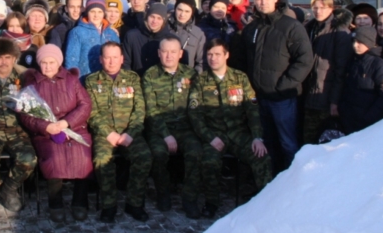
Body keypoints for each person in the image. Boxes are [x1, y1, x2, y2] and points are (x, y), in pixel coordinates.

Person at [188, 39, 273, 218]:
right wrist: (209, 137)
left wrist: (257, 137)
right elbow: (195, 114)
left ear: (226, 55)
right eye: (210, 54)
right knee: (209, 162)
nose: (213, 58)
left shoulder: (240, 78)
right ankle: (212, 202)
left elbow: (252, 110)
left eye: (218, 54)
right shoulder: (201, 80)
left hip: (238, 133)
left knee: (261, 156)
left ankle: (267, 201)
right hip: (214, 134)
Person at [233, 0, 313, 173]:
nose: (263, 2)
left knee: (288, 144)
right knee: (267, 145)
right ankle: (273, 187)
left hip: (283, 98)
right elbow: (244, 59)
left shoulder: (291, 26)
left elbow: (305, 60)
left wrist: (283, 86)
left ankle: (293, 185)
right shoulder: (252, 28)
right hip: (259, 98)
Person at [20, 44, 92, 223]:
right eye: (44, 62)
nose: (48, 66)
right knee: (54, 159)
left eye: (51, 62)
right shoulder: (32, 83)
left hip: (74, 128)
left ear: (58, 62)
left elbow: (85, 105)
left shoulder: (71, 80)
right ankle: (56, 203)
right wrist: (46, 127)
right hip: (47, 133)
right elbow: (25, 113)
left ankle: (80, 202)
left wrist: (67, 122)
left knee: (84, 157)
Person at [85, 42, 150, 223]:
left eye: (115, 57)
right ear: (101, 59)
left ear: (122, 59)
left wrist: (131, 132)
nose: (111, 61)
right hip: (104, 134)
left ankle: (134, 203)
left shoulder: (132, 78)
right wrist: (108, 134)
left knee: (144, 157)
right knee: (102, 160)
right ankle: (109, 205)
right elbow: (91, 112)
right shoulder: (91, 81)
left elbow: (140, 109)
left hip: (130, 133)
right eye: (107, 57)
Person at [0, 39, 36, 213]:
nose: (4, 62)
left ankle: (8, 189)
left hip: (18, 131)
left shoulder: (24, 77)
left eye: (8, 57)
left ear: (15, 58)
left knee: (28, 160)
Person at [141, 37, 199, 214]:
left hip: (185, 128)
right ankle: (163, 193)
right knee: (158, 153)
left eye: (173, 52)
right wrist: (166, 134)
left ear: (180, 54)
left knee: (196, 152)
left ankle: (190, 198)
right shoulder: (150, 75)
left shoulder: (191, 75)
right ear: (159, 53)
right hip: (160, 130)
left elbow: (196, 106)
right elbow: (151, 110)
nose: (169, 56)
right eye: (165, 51)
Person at [301, 0, 353, 144]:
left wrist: (334, 101)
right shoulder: (309, 29)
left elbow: (340, 70)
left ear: (331, 9)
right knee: (307, 142)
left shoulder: (340, 33)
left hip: (326, 97)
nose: (318, 11)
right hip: (308, 96)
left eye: (322, 8)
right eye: (315, 8)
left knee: (325, 142)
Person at [338, 27, 383, 134]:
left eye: (360, 42)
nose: (355, 45)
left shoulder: (379, 65)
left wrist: (368, 118)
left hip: (367, 124)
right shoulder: (353, 61)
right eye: (354, 41)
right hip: (349, 119)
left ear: (369, 43)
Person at [65, 0, 120, 79]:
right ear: (87, 12)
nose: (96, 15)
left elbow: (118, 58)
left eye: (99, 12)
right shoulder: (77, 32)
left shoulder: (111, 33)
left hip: (107, 82)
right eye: (92, 11)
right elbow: (71, 61)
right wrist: (73, 81)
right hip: (84, 80)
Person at [122, 2, 177, 75]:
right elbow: (125, 62)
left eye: (159, 18)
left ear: (164, 21)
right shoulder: (132, 36)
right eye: (152, 17)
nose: (155, 21)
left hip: (161, 83)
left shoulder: (171, 39)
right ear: (147, 17)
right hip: (136, 81)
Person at [169, 0, 205, 73]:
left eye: (187, 11)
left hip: (187, 79)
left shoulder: (198, 34)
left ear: (192, 12)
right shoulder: (165, 28)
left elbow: (201, 62)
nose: (182, 14)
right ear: (175, 9)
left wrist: (193, 78)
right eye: (180, 10)